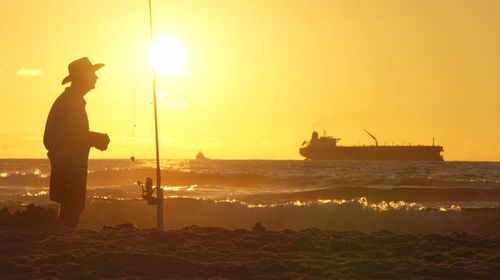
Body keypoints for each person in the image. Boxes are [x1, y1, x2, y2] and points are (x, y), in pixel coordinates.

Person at [43, 57, 110, 227]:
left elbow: (73, 134)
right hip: (70, 163)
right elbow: (76, 134)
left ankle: (64, 236)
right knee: (73, 206)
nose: (96, 77)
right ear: (82, 77)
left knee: (70, 206)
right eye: (92, 73)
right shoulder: (73, 101)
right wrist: (98, 139)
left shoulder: (70, 99)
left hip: (66, 162)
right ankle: (65, 237)